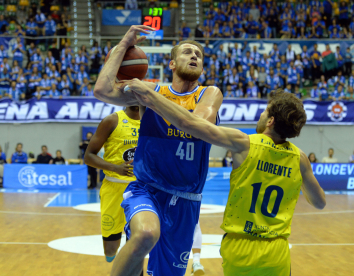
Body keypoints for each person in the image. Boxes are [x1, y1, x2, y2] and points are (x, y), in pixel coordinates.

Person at [126, 86, 326, 275]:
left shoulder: (244, 143)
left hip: (240, 246)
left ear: (271, 121)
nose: (261, 115)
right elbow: (319, 202)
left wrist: (151, 97)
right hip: (277, 249)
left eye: (265, 112)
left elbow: (189, 124)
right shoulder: (299, 159)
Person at [93, 25, 222, 276]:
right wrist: (123, 45)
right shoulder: (152, 89)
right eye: (187, 52)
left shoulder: (210, 93)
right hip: (147, 189)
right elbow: (102, 91)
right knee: (146, 234)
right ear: (172, 64)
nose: (194, 55)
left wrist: (148, 96)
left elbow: (196, 124)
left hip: (186, 200)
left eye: (198, 54)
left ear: (203, 68)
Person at [84, 106, 140, 264]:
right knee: (110, 251)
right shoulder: (111, 120)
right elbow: (88, 156)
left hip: (140, 189)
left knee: (136, 244)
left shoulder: (152, 120)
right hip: (113, 186)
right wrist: (115, 168)